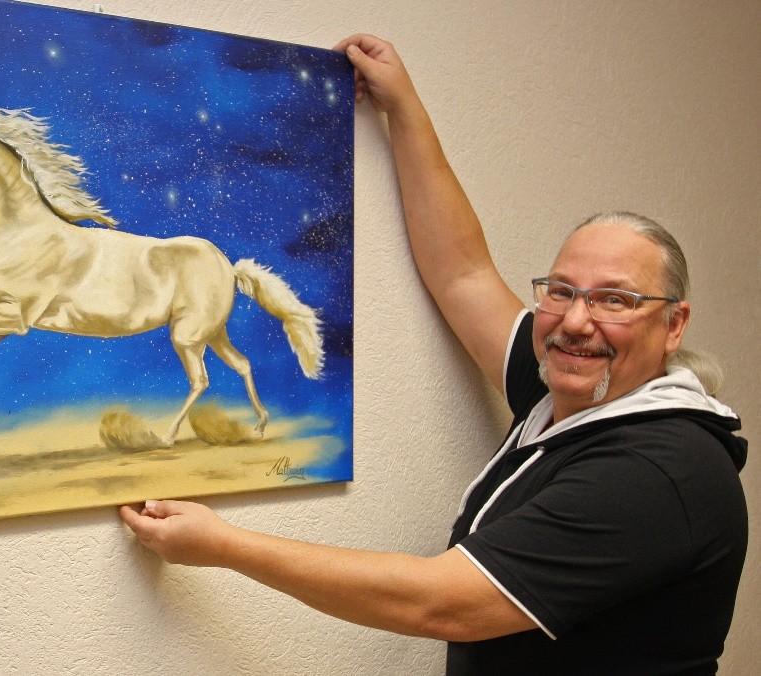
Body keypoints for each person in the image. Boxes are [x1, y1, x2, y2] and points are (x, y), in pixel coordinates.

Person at [120, 34, 748, 674]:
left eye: (615, 300)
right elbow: (463, 274)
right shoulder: (570, 388)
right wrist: (403, 108)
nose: (577, 321)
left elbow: (442, 604)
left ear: (674, 325)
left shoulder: (659, 470)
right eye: (562, 291)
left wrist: (224, 546)